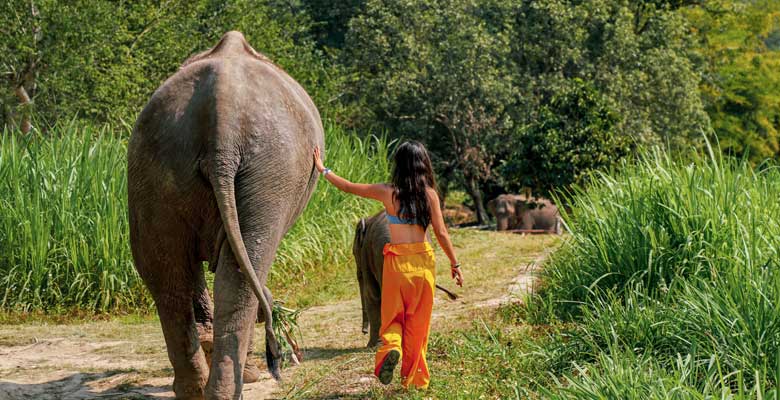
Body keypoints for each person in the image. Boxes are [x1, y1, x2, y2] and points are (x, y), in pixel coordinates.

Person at [313, 141, 463, 390]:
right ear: (423, 164)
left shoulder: (387, 192)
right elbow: (442, 232)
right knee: (418, 324)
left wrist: (323, 169)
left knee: (392, 318)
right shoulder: (430, 195)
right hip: (422, 265)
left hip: (396, 264)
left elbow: (349, 187)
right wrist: (455, 263)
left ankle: (391, 349)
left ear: (399, 165)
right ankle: (414, 382)